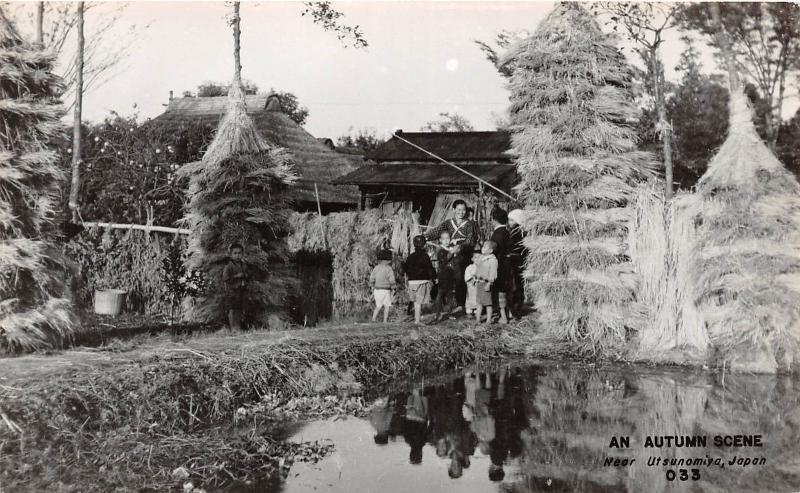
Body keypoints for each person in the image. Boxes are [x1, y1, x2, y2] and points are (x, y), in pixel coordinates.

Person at [425, 200, 480, 313]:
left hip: (463, 255)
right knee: (445, 277)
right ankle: (444, 305)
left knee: (460, 279)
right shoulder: (448, 223)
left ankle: (461, 304)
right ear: (454, 210)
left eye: (463, 210)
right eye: (458, 209)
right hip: (449, 253)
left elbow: (470, 241)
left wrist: (460, 247)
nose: (461, 212)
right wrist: (425, 237)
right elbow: (436, 231)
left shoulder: (469, 224)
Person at [403, 235, 436, 324]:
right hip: (422, 281)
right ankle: (417, 321)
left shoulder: (410, 256)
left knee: (415, 301)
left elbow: (405, 268)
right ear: (424, 245)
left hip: (412, 282)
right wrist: (434, 277)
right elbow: (430, 268)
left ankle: (415, 318)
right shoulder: (425, 256)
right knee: (418, 302)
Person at [490, 207, 513, 324]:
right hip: (507, 265)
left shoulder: (497, 234)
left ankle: (503, 316)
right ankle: (509, 313)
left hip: (499, 265)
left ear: (494, 220)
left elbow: (495, 251)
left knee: (500, 290)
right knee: (506, 288)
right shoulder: (507, 232)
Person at [222, 242, 247, 330]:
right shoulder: (228, 266)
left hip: (241, 289)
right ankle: (233, 328)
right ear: (231, 255)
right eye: (235, 253)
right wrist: (236, 276)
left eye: (239, 253)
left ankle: (238, 326)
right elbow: (225, 279)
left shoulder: (243, 264)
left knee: (239, 308)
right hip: (232, 291)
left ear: (242, 254)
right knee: (232, 308)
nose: (237, 255)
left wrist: (245, 275)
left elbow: (246, 274)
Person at [507, 209, 527, 317]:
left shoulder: (518, 231)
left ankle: (516, 308)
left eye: (511, 220)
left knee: (516, 284)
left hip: (516, 260)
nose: (509, 222)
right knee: (518, 284)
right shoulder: (520, 230)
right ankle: (518, 306)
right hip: (518, 260)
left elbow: (514, 246)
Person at [370, 249, 396, 323]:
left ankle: (373, 319)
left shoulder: (376, 268)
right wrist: (394, 288)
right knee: (386, 306)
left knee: (378, 306)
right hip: (386, 290)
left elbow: (372, 278)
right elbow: (392, 280)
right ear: (388, 260)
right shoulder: (389, 269)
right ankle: (385, 321)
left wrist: (372, 286)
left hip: (377, 289)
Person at [475, 241, 498, 324]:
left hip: (486, 283)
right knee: (479, 302)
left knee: (488, 303)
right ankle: (478, 319)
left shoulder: (492, 260)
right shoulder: (481, 257)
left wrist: (489, 283)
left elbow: (493, 273)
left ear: (491, 250)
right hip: (479, 282)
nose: (482, 249)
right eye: (483, 247)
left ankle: (488, 320)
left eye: (485, 247)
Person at [433, 249, 456, 323]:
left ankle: (443, 314)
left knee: (447, 298)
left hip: (447, 282)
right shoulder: (442, 265)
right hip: (443, 282)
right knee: (441, 297)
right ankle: (439, 314)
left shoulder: (447, 264)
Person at [463, 251, 480, 317]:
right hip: (471, 286)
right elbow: (467, 277)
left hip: (479, 286)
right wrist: (473, 279)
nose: (477, 259)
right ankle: (469, 311)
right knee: (470, 298)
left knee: (478, 299)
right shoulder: (469, 268)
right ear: (472, 259)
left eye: (479, 258)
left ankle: (476, 311)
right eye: (476, 257)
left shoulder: (482, 267)